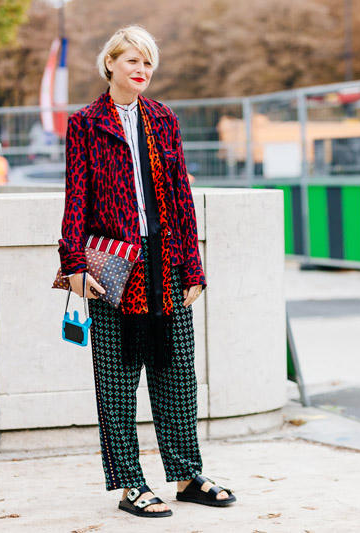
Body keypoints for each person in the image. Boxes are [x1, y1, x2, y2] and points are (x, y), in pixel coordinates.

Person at [58, 25, 236, 518]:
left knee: (177, 373)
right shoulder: (86, 123)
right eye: (133, 60)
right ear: (110, 63)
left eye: (148, 62)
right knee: (116, 381)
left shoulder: (163, 118)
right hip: (114, 268)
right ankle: (129, 485)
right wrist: (73, 264)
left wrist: (193, 267)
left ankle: (186, 476)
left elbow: (180, 196)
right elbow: (76, 198)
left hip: (167, 261)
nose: (142, 70)